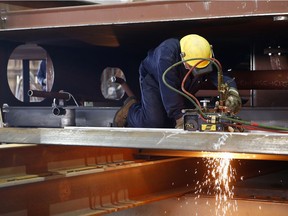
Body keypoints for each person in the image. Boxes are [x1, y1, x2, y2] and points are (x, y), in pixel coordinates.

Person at [113, 34, 241, 128]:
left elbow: (220, 74)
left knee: (173, 121)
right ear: (183, 58)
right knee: (154, 123)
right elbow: (169, 90)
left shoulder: (203, 52)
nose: (198, 71)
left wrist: (232, 92)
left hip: (182, 83)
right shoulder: (167, 54)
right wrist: (180, 120)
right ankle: (131, 110)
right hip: (155, 80)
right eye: (193, 68)